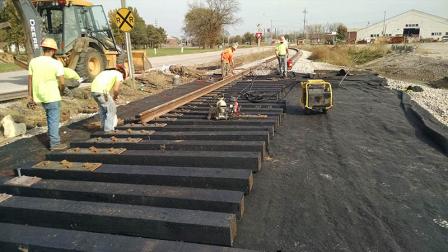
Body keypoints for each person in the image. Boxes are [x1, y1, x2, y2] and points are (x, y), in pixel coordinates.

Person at [28, 38, 66, 151]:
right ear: (53, 50)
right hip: (52, 95)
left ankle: (52, 138)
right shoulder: (56, 63)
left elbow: (30, 79)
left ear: (43, 48)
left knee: (50, 117)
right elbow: (62, 82)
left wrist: (30, 96)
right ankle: (55, 144)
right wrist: (62, 91)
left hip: (39, 96)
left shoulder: (33, 61)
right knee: (53, 119)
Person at [90, 65, 127, 132]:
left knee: (103, 111)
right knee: (111, 110)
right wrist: (115, 97)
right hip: (102, 92)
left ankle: (103, 127)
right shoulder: (119, 74)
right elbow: (116, 89)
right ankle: (108, 130)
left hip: (94, 92)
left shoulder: (106, 72)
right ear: (123, 73)